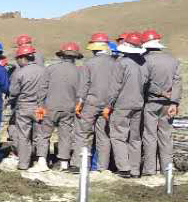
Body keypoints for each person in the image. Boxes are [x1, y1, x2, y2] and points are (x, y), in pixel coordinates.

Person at [74, 34, 122, 173]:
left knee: (83, 134)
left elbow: (84, 85)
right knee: (103, 136)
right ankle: (102, 168)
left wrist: (79, 102)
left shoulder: (89, 63)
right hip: (108, 105)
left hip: (90, 103)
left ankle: (80, 165)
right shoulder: (116, 63)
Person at [141, 29, 181, 176]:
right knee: (166, 137)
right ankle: (167, 169)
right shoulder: (173, 60)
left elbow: (145, 83)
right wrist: (174, 103)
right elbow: (177, 83)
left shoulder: (144, 60)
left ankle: (150, 170)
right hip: (168, 104)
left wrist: (159, 92)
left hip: (151, 103)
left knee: (149, 136)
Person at [110, 32, 149, 177]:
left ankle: (124, 168)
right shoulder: (143, 62)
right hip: (138, 103)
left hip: (122, 104)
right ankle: (135, 170)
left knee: (118, 136)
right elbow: (146, 82)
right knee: (135, 138)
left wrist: (109, 104)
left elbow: (115, 87)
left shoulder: (121, 63)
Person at [7, 44, 50, 170]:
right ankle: (41, 161)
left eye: (17, 59)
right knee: (40, 134)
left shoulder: (19, 73)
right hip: (40, 108)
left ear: (22, 58)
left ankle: (23, 163)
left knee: (23, 136)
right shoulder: (44, 71)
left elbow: (13, 92)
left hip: (24, 107)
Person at [44, 42, 84, 170]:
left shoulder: (50, 69)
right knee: (65, 135)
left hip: (50, 106)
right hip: (69, 108)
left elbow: (43, 87)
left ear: (62, 55)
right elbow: (81, 93)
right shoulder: (80, 72)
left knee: (44, 134)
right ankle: (64, 163)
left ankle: (42, 161)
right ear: (75, 57)